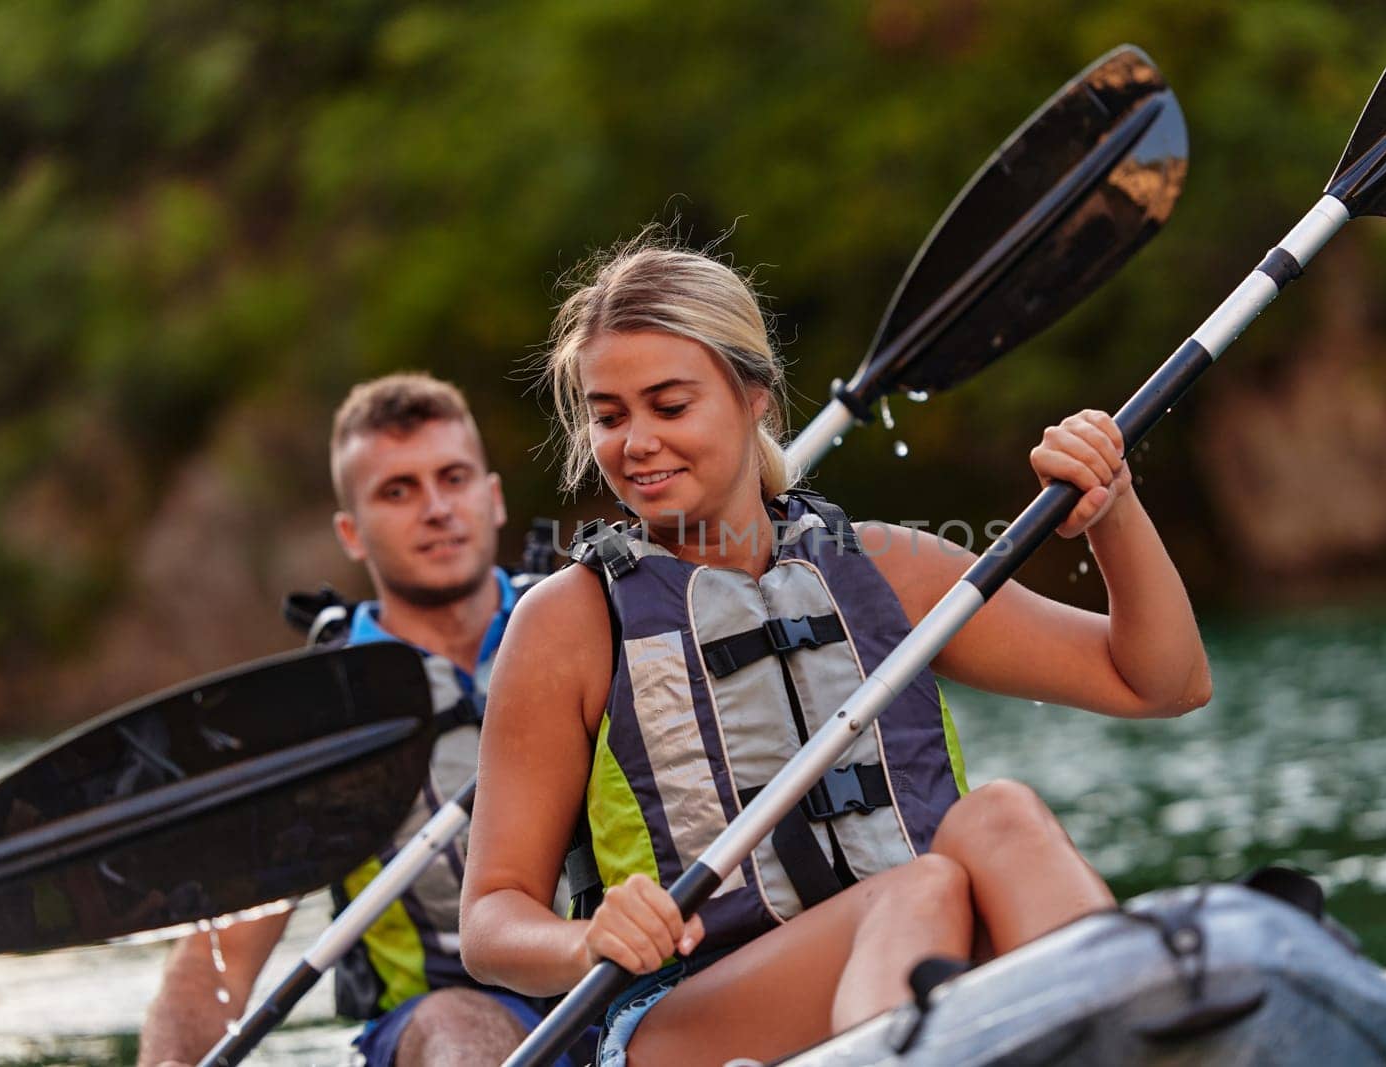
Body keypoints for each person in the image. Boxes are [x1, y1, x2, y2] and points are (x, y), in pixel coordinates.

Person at [459, 241, 1213, 1066]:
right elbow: (491, 919)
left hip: (926, 954)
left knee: (1000, 816)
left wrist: (1114, 509)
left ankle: (1141, 1040)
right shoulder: (567, 621)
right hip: (689, 1011)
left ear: (757, 402)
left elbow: (1164, 682)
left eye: (669, 406)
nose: (636, 443)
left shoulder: (890, 569)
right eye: (609, 416)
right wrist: (586, 942)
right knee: (919, 887)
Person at [139, 373, 590, 1067]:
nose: (437, 509)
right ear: (350, 532)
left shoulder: (589, 623)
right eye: (397, 491)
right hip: (441, 1014)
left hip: (621, 974)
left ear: (493, 498)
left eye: (454, 477)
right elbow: (220, 959)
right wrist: (169, 1060)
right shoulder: (319, 716)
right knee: (457, 1034)